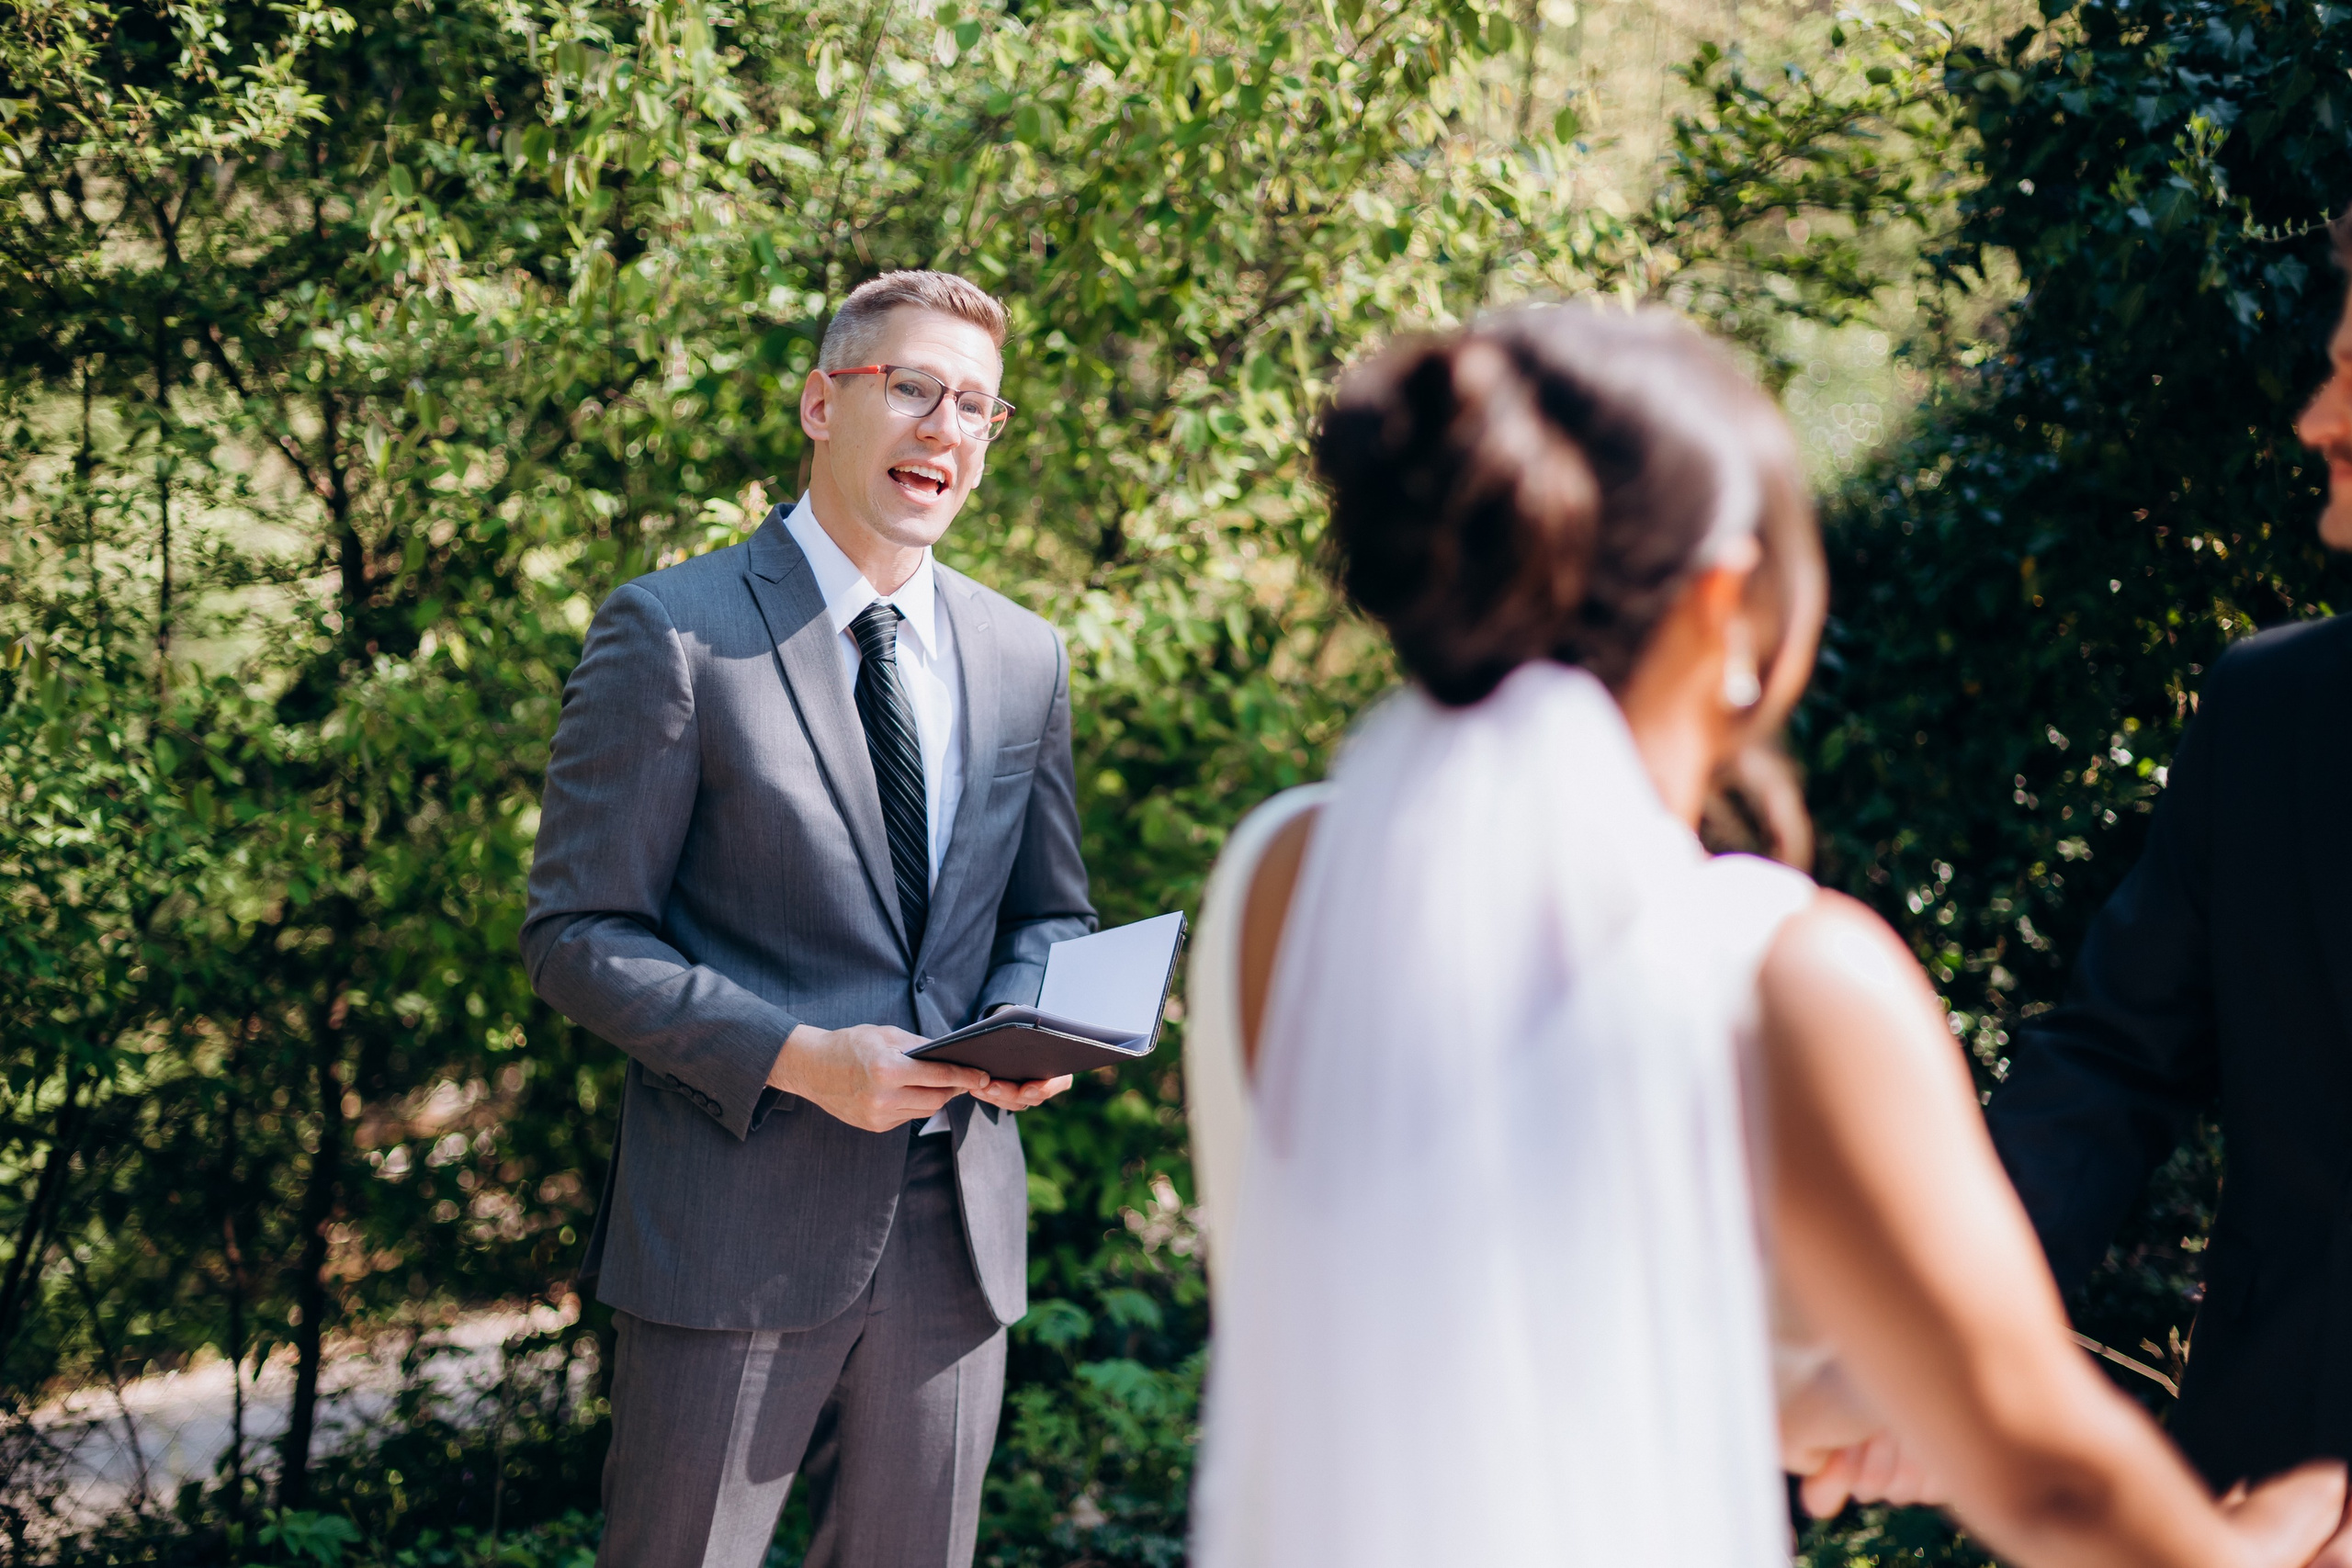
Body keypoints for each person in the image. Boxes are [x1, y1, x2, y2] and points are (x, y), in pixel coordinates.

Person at [1186, 302, 2352, 1568]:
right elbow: (2054, 1486)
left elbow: (1506, 1322)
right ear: (1729, 603)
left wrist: (1869, 1386)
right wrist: (2262, 1535)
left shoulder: (1279, 882)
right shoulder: (1781, 969)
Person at [520, 269, 1094, 1568]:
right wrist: (797, 1059)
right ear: (820, 404)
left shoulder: (1023, 656)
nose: (947, 427)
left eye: (978, 408)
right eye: (913, 388)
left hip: (955, 1246)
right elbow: (577, 934)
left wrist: (1044, 1015)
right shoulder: (672, 633)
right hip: (731, 1243)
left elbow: (1049, 909)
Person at [1984, 207, 2352, 1493]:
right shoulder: (2269, 711)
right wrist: (1949, 1331)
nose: (2316, 421)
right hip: (2254, 1469)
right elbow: (2109, 1062)